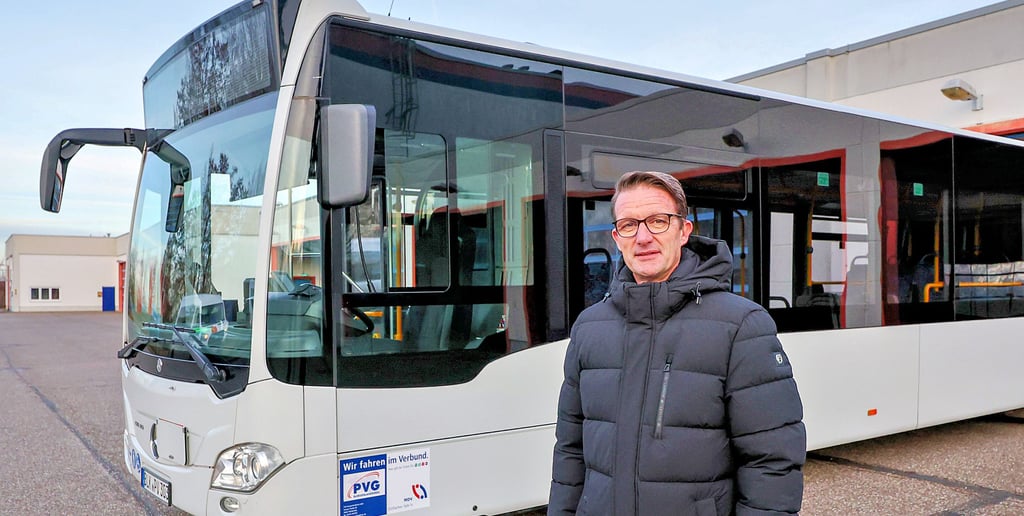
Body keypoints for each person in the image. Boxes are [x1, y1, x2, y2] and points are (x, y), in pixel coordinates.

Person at [549, 171, 805, 516]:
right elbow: (570, 451)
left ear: (683, 230)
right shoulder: (589, 327)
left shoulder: (741, 326)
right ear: (616, 237)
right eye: (628, 225)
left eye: (658, 221)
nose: (643, 237)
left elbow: (771, 462)